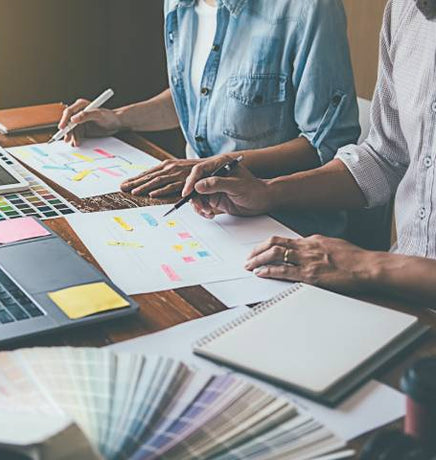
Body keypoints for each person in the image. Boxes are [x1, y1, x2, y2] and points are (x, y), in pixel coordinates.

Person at [180, 0, 436, 305]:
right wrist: (267, 192)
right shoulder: (405, 11)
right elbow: (384, 157)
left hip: (392, 283)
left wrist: (369, 265)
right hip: (400, 301)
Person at [58, 0, 360, 237]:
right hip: (200, 214)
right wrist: (118, 118)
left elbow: (326, 146)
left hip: (284, 225)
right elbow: (196, 99)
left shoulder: (308, 8)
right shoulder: (180, 5)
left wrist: (218, 167)